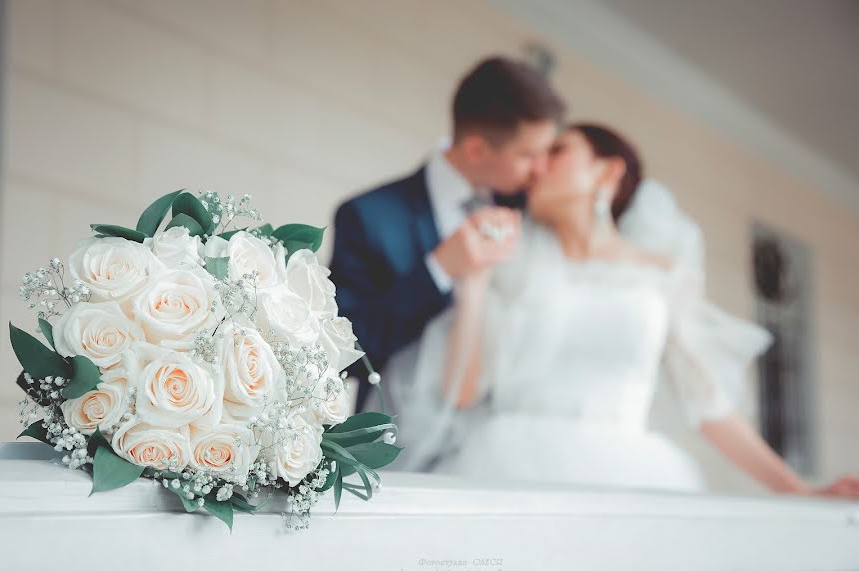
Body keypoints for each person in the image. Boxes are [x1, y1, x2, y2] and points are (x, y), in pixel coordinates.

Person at [389, 122, 859, 498]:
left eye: (559, 151)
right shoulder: (509, 260)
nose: (537, 167)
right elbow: (464, 390)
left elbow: (708, 402)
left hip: (630, 472)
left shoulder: (663, 274)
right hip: (504, 468)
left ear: (607, 173)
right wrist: (473, 284)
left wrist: (797, 489)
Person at [328, 56, 563, 413]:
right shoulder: (369, 216)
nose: (541, 169)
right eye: (529, 155)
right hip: (400, 437)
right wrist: (437, 269)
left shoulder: (533, 207)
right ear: (476, 149)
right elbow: (347, 353)